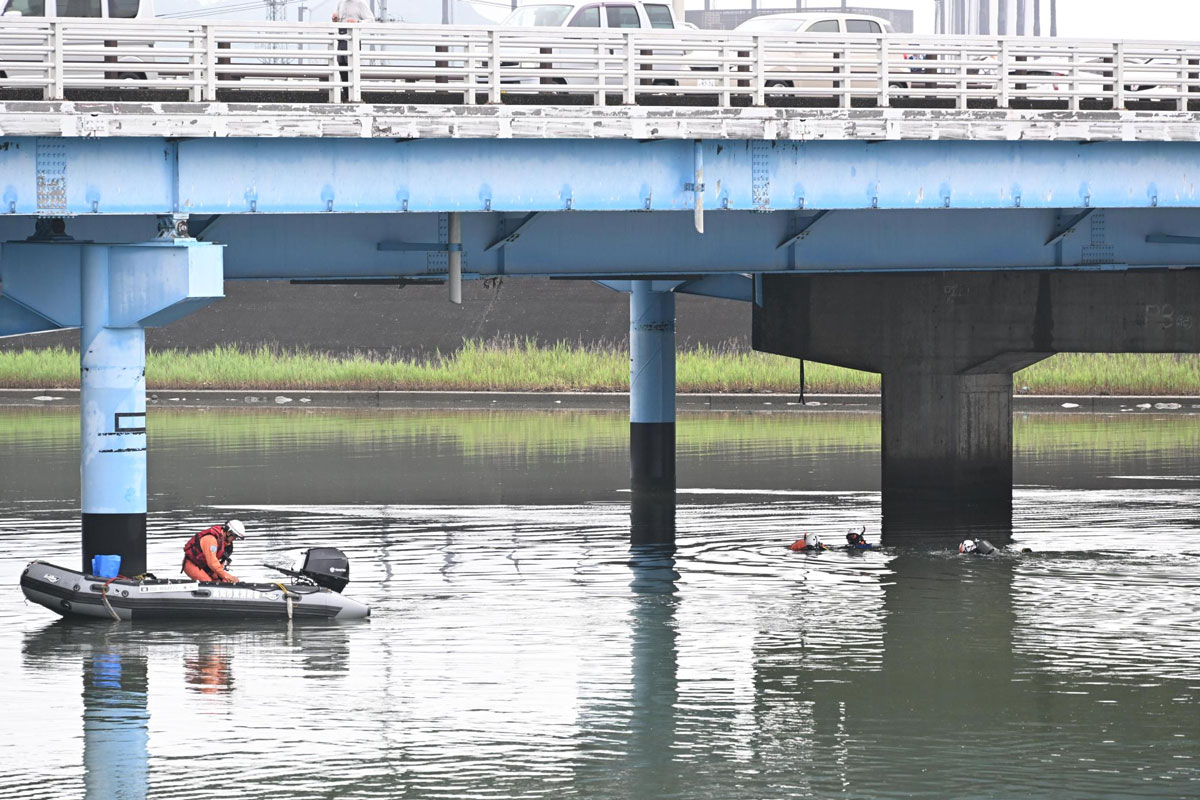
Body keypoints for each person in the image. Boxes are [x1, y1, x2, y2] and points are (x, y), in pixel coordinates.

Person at [332, 0, 375, 101]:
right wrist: (335, 19)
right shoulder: (341, 3)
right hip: (341, 37)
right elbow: (338, 20)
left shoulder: (361, 3)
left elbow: (371, 20)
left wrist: (357, 22)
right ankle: (347, 96)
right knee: (342, 66)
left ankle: (354, 96)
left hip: (354, 39)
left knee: (352, 68)